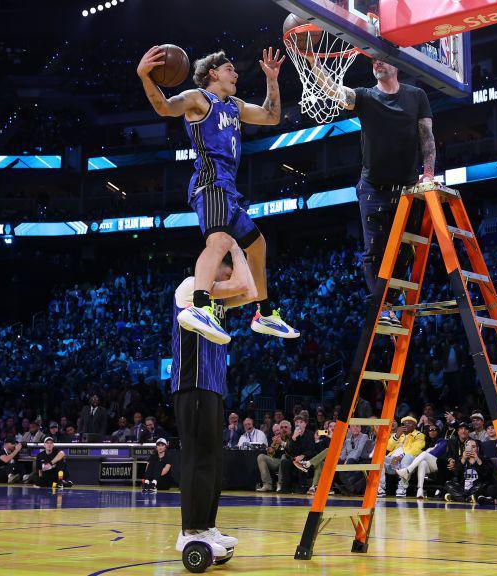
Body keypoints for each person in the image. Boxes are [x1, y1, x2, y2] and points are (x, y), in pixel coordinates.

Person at [137, 45, 299, 346]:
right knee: (220, 241)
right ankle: (199, 307)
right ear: (213, 73)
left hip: (229, 190)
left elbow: (271, 116)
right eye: (229, 69)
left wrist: (272, 79)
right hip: (210, 183)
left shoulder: (235, 106)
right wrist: (145, 76)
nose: (235, 74)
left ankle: (264, 313)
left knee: (258, 245)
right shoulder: (198, 99)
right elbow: (164, 107)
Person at [308, 56, 434, 327]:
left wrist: (429, 174)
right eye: (374, 61)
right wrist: (313, 63)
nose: (378, 64)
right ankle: (383, 309)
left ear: (396, 65)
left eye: (383, 60)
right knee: (374, 250)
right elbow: (334, 91)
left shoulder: (416, 96)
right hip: (372, 187)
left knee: (406, 250)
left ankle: (390, 303)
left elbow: (427, 137)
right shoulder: (365, 96)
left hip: (407, 187)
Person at [169, 253, 253, 557]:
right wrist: (231, 244)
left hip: (214, 387)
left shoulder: (218, 299)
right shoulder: (191, 285)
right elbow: (242, 284)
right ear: (213, 266)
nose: (231, 276)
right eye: (227, 270)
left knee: (214, 463)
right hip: (192, 383)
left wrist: (236, 254)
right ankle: (190, 530)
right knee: (198, 457)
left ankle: (206, 525)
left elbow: (251, 290)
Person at [377, 416, 425, 498]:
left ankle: (402, 488)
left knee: (407, 458)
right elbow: (388, 447)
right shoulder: (399, 435)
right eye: (404, 424)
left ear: (414, 426)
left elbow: (415, 450)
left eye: (409, 423)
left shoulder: (419, 435)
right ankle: (380, 488)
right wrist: (396, 436)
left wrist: (400, 456)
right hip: (393, 462)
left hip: (408, 462)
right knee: (379, 458)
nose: (406, 425)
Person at [397, 423, 446, 499]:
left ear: (438, 431)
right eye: (430, 430)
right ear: (428, 432)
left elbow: (436, 453)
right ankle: (420, 490)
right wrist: (429, 450)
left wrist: (427, 452)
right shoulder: (427, 443)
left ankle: (407, 470)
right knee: (422, 463)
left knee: (424, 454)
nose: (432, 431)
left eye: (434, 430)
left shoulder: (442, 441)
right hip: (428, 466)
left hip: (439, 464)